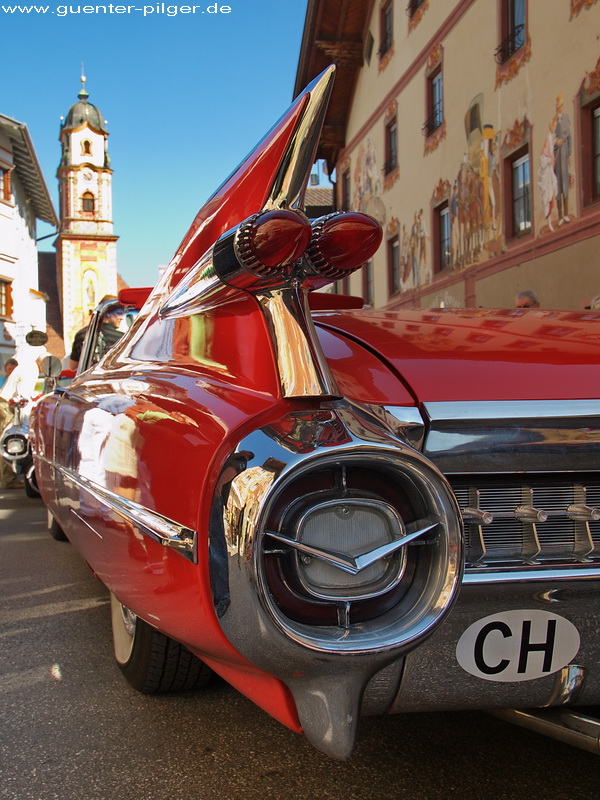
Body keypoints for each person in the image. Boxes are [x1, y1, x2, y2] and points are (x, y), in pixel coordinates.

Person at [68, 297, 125, 370]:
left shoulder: (81, 334)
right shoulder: (122, 337)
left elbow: (73, 366)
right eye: (119, 313)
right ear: (107, 313)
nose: (122, 317)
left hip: (89, 380)